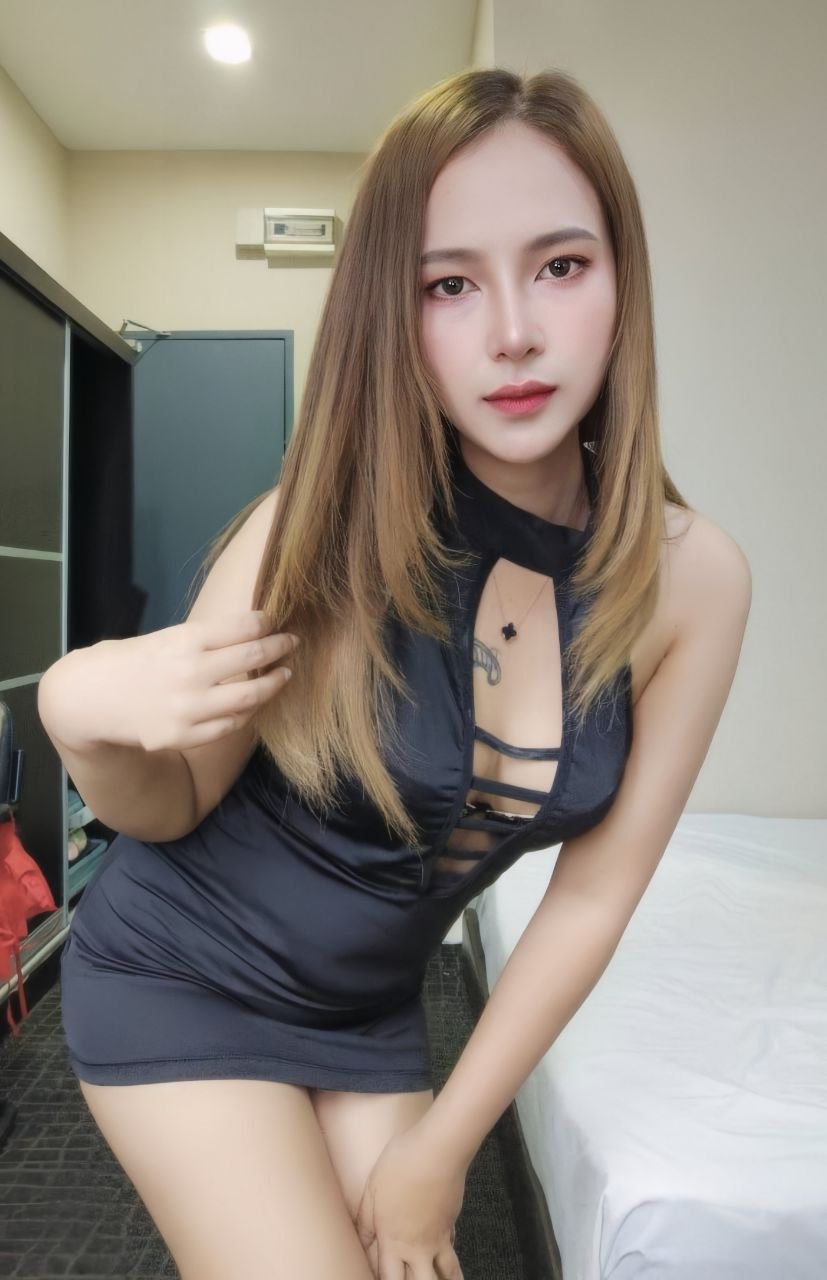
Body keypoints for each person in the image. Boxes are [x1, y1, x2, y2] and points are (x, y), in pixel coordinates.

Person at [38, 66, 751, 1280]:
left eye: (559, 264)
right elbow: (168, 805)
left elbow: (589, 899)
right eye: (448, 284)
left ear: (621, 281)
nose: (512, 330)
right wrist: (80, 709)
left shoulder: (694, 582)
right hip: (180, 968)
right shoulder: (312, 526)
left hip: (366, 1012)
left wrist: (443, 1147)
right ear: (394, 312)